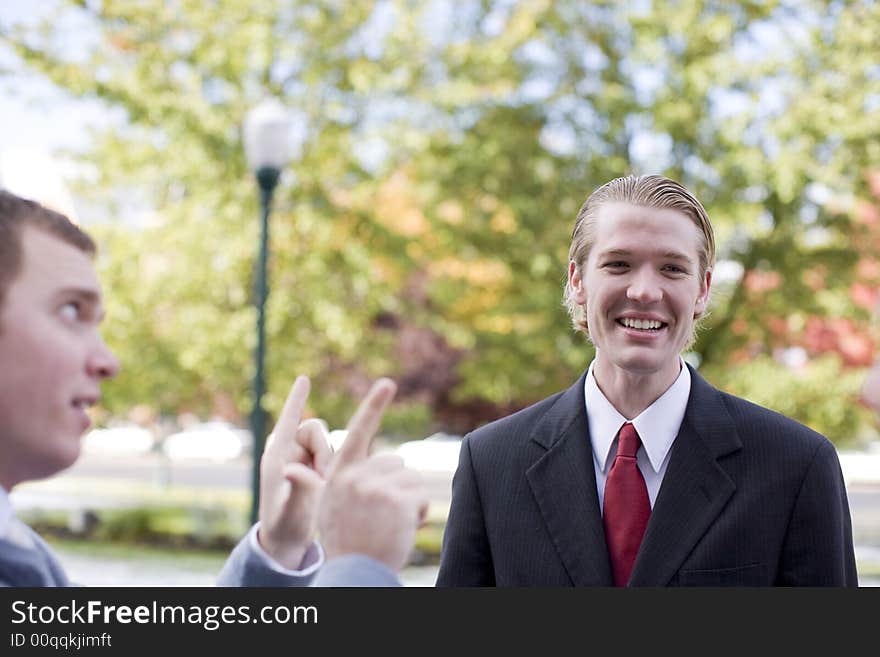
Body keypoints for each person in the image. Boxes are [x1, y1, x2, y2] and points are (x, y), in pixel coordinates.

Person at [436, 174, 857, 587]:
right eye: (619, 264)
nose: (644, 291)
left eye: (672, 269)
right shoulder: (490, 464)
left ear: (702, 290)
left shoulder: (796, 466)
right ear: (579, 280)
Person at [0, 189, 426, 587]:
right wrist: (358, 568)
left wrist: (280, 545)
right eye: (72, 310)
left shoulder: (20, 550)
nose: (108, 362)